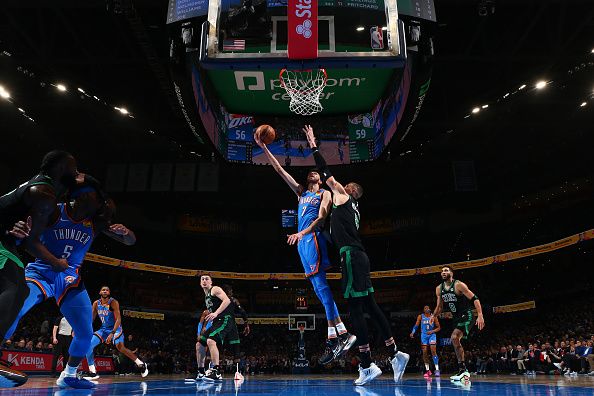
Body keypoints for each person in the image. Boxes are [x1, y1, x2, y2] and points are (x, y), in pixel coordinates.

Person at [303, 125, 409, 386]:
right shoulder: (352, 209)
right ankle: (394, 354)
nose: (342, 184)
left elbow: (325, 171)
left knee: (356, 309)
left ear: (350, 191)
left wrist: (313, 144)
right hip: (357, 256)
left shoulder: (341, 196)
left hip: (351, 257)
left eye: (347, 185)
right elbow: (333, 232)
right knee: (370, 306)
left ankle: (367, 364)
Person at [4, 180, 135, 388]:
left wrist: (126, 232)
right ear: (80, 198)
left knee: (84, 332)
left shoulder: (95, 222)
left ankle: (68, 374)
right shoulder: (54, 212)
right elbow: (28, 240)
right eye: (95, 198)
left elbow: (130, 242)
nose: (99, 203)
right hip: (42, 272)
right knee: (13, 309)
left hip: (70, 279)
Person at [255, 131, 356, 365]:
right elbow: (279, 170)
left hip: (313, 239)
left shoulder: (325, 194)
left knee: (322, 287)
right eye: (309, 172)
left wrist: (301, 233)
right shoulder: (301, 192)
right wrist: (263, 147)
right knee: (319, 292)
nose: (312, 172)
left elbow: (321, 219)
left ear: (320, 179)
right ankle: (337, 336)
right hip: (302, 244)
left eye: (316, 173)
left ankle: (342, 334)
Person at [0, 150, 79, 388]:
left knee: (16, 289)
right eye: (73, 168)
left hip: (5, 241)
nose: (77, 174)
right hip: (3, 244)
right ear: (60, 169)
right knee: (16, 288)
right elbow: (32, 242)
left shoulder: (40, 188)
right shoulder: (44, 194)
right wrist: (57, 262)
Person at [432, 265, 485, 382]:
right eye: (442, 271)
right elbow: (439, 307)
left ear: (451, 273)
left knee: (454, 337)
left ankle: (464, 370)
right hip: (456, 318)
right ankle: (463, 370)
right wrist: (433, 315)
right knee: (455, 340)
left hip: (467, 315)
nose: (443, 272)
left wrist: (480, 315)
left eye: (446, 270)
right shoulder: (438, 289)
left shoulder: (459, 285)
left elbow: (475, 298)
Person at [85, 286, 149, 380]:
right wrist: (83, 329)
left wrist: (112, 333)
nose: (105, 291)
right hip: (104, 329)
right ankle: (92, 372)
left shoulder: (113, 302)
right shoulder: (96, 303)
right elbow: (91, 319)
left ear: (109, 293)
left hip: (116, 328)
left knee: (120, 347)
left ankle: (141, 364)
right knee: (89, 346)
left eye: (107, 290)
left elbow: (118, 319)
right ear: (100, 292)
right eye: (103, 290)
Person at [196, 275, 242, 382]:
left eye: (207, 279)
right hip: (217, 321)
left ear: (211, 282)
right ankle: (201, 372)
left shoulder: (215, 289)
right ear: (200, 283)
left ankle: (216, 371)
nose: (204, 280)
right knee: (199, 344)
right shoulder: (206, 295)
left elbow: (226, 300)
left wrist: (216, 313)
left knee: (211, 341)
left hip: (225, 319)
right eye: (202, 279)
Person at [410, 305, 441, 377]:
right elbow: (416, 325)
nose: (427, 309)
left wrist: (432, 331)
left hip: (432, 335)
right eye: (425, 308)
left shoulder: (434, 316)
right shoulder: (420, 316)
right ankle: (428, 371)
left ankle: (437, 369)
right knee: (424, 352)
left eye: (428, 308)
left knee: (433, 351)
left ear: (430, 309)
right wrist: (413, 332)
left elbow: (439, 327)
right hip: (424, 336)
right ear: (423, 310)